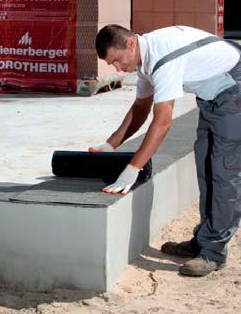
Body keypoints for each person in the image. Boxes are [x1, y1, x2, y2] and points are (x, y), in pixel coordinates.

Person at [90, 24, 241, 277]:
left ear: (130, 44)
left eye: (116, 61)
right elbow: (140, 108)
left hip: (234, 88)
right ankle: (204, 239)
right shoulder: (145, 61)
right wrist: (110, 145)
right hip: (213, 95)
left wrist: (133, 169)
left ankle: (213, 252)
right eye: (112, 65)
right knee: (205, 163)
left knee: (224, 171)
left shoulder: (163, 58)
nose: (117, 69)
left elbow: (162, 122)